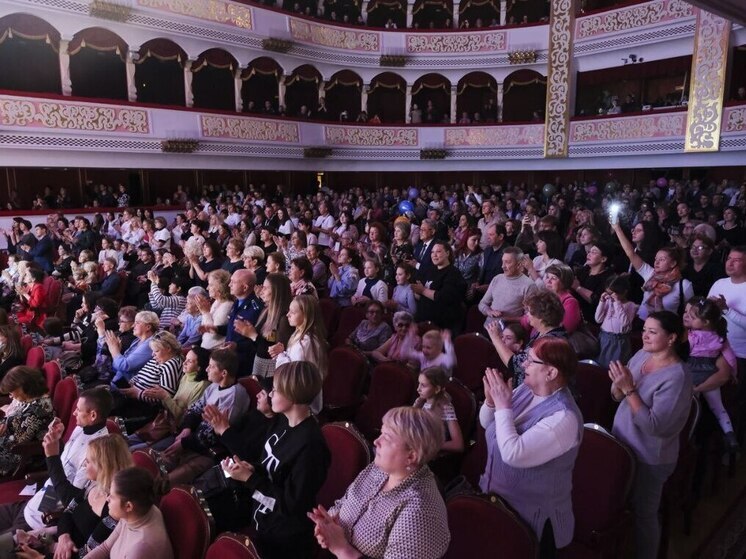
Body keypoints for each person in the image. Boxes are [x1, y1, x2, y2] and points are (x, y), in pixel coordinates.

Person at [480, 337, 582, 555]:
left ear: (551, 373)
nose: (523, 364)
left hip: (532, 518)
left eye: (531, 361)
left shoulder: (564, 418)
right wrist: (491, 402)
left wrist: (503, 407)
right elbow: (489, 424)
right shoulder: (528, 390)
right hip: (499, 503)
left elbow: (513, 454)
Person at [217, 362, 330, 559]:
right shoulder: (281, 420)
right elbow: (272, 466)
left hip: (284, 537)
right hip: (263, 519)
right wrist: (251, 468)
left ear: (293, 395)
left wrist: (250, 479)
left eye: (276, 390)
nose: (270, 394)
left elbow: (291, 506)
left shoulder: (311, 446)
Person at [309, 407, 450, 559]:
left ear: (411, 456)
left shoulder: (420, 510)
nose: (376, 441)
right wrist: (329, 526)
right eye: (381, 433)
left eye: (387, 438)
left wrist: (341, 548)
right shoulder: (379, 469)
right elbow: (342, 503)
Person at [609, 311, 692, 559]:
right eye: (644, 329)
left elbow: (654, 426)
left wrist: (628, 388)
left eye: (652, 332)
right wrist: (618, 385)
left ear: (672, 338)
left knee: (644, 513)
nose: (644, 335)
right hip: (621, 445)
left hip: (649, 456)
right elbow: (616, 396)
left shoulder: (678, 377)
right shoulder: (643, 354)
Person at [8, 434, 135, 559]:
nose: (84, 464)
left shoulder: (114, 507)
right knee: (6, 545)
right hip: (55, 541)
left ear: (103, 466)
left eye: (89, 461)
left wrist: (41, 555)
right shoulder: (93, 485)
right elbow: (68, 511)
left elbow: (88, 553)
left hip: (63, 555)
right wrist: (64, 537)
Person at [161, 348, 249, 483]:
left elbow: (216, 435)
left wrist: (184, 443)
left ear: (223, 373)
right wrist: (186, 429)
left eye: (211, 366)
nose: (206, 369)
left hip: (208, 452)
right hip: (191, 440)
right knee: (156, 463)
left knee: (166, 482)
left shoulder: (234, 396)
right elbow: (195, 409)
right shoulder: (214, 385)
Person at [82, 467, 173, 559]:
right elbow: (105, 547)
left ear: (128, 506)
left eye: (112, 497)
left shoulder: (141, 548)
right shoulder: (137, 512)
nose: (107, 498)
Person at [683, 298, 738, 450]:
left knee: (691, 406)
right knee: (718, 407)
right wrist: (733, 372)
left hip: (692, 372)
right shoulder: (720, 337)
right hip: (710, 372)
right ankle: (730, 433)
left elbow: (684, 353)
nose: (687, 316)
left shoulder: (692, 336)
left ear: (705, 322)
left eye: (692, 317)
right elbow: (730, 357)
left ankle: (689, 434)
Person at [128, 348, 209, 448]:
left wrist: (165, 397)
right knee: (126, 441)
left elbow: (184, 418)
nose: (184, 363)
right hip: (165, 421)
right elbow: (173, 404)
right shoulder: (186, 376)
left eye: (190, 361)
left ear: (199, 367)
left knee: (133, 450)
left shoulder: (202, 386)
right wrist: (160, 396)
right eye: (186, 359)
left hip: (176, 430)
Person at [613, 219, 693, 319]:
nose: (657, 262)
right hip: (641, 325)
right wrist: (617, 228)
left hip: (665, 329)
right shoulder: (650, 275)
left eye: (662, 259)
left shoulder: (684, 285)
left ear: (673, 263)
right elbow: (630, 253)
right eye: (656, 259)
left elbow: (688, 314)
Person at [487, 290, 567, 387]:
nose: (527, 315)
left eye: (529, 311)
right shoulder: (543, 333)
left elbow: (515, 365)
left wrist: (495, 338)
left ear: (541, 317)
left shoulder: (551, 342)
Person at [273, 295, 328, 413]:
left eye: (293, 312)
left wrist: (281, 355)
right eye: (288, 311)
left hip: (299, 398)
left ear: (306, 315)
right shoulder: (299, 335)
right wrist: (283, 352)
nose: (288, 314)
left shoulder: (306, 343)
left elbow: (294, 374)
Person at [233, 273, 293, 379]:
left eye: (265, 288)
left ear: (276, 291)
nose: (261, 291)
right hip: (259, 365)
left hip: (272, 371)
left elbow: (276, 354)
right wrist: (247, 332)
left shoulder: (284, 319)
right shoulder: (266, 310)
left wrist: (253, 335)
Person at [0, 367, 54, 476]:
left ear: (23, 387)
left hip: (19, 455)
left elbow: (20, 441)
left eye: (12, 391)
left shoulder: (40, 410)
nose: (11, 396)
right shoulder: (28, 399)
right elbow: (11, 419)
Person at [708, 246, 746, 398]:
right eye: (729, 259)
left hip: (741, 355)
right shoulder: (719, 283)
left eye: (736, 260)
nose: (730, 263)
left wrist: (726, 310)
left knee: (736, 401)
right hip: (716, 350)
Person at [412, 241, 467, 329]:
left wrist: (423, 290)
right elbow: (421, 294)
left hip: (440, 325)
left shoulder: (453, 273)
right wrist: (417, 292)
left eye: (438, 251)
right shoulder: (430, 270)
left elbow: (444, 297)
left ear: (447, 253)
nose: (434, 255)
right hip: (423, 320)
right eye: (432, 252)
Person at [479, 247, 537, 329]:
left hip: (510, 333)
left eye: (507, 262)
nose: (503, 266)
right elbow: (482, 304)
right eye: (502, 262)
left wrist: (507, 319)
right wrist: (489, 311)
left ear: (519, 264)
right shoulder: (497, 278)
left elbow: (529, 317)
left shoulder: (529, 285)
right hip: (489, 327)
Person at [414, 366, 464, 453]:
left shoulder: (446, 408)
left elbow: (458, 444)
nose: (418, 389)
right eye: (419, 384)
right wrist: (415, 407)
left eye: (423, 385)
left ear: (437, 389)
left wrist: (430, 445)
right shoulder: (422, 402)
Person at [595, 275, 639, 368]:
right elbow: (598, 319)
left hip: (617, 341)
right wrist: (602, 301)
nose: (610, 296)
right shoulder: (608, 301)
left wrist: (617, 302)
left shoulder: (631, 306)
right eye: (608, 293)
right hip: (604, 337)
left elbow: (625, 325)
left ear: (624, 292)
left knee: (612, 367)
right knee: (598, 364)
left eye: (613, 294)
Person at [106, 311, 158, 387]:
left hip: (127, 389)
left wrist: (114, 350)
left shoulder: (149, 345)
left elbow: (125, 366)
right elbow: (116, 367)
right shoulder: (137, 341)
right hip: (116, 383)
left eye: (137, 323)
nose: (133, 325)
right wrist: (118, 352)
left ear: (148, 327)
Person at [198, 269, 234, 350]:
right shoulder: (217, 301)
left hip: (215, 351)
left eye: (210, 285)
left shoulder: (227, 305)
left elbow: (214, 335)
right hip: (206, 347)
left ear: (220, 287)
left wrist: (205, 312)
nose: (207, 288)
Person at [14, 267, 47, 332]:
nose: (24, 276)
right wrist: (21, 294)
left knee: (14, 322)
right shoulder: (28, 286)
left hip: (35, 315)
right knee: (12, 318)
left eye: (27, 275)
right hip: (26, 311)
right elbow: (24, 303)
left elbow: (36, 304)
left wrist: (24, 294)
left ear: (33, 279)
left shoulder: (39, 287)